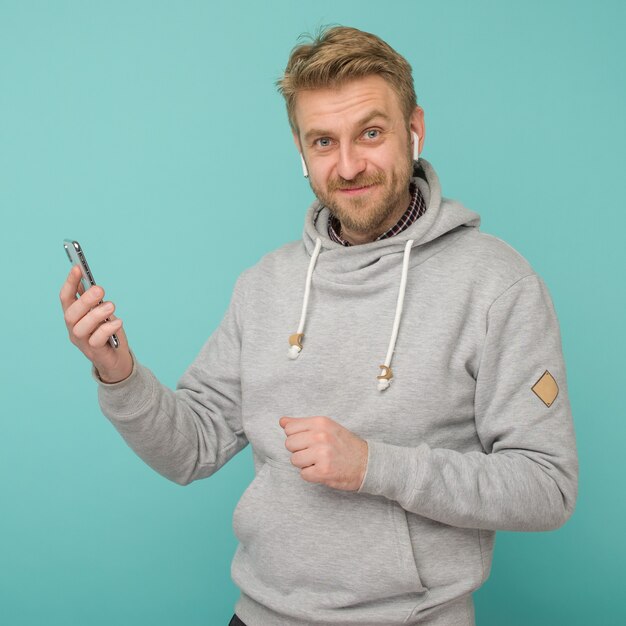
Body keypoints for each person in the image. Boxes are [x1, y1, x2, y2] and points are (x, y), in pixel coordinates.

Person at [60, 25, 578, 626]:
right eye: (323, 142)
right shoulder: (267, 284)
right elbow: (191, 449)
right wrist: (118, 373)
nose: (350, 164)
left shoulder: (498, 285)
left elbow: (548, 486)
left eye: (372, 133)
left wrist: (373, 467)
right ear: (302, 155)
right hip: (259, 617)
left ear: (416, 130)